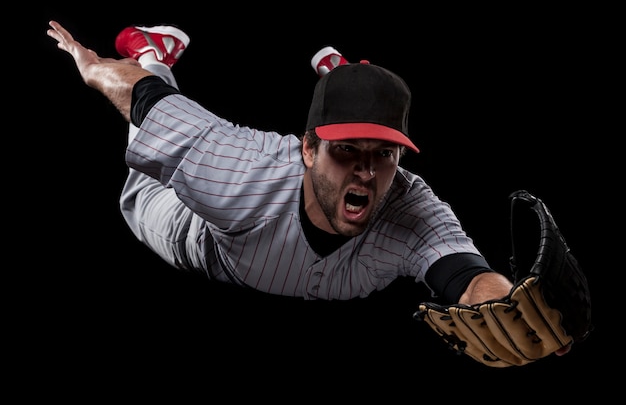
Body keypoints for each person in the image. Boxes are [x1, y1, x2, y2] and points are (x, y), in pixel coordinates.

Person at [47, 20, 570, 357]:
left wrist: (505, 307)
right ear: (306, 149)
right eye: (345, 149)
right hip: (199, 237)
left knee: (360, 121)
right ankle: (154, 48)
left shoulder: (412, 209)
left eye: (383, 153)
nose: (366, 171)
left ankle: (342, 81)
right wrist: (97, 68)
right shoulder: (242, 175)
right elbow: (153, 104)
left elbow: (468, 274)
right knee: (144, 183)